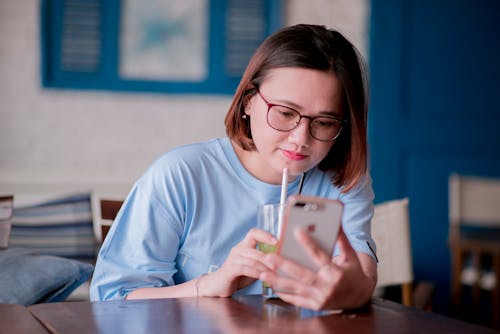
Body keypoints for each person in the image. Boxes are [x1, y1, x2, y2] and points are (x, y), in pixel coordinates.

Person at [90, 24, 377, 311]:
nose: (300, 139)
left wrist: (349, 291)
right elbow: (110, 299)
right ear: (249, 100)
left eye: (324, 122)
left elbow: (362, 279)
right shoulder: (181, 175)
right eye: (285, 113)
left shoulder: (343, 181)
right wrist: (210, 285)